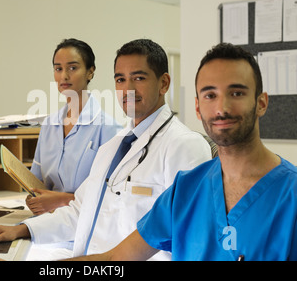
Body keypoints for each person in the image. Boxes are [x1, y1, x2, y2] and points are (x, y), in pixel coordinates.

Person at [0, 39, 212, 261]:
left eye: (138, 78)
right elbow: (79, 211)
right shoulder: (114, 147)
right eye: (120, 80)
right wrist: (21, 229)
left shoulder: (185, 146)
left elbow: (189, 241)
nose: (128, 89)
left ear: (164, 83)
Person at [71, 43, 297, 261]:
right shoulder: (185, 189)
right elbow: (115, 257)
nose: (221, 108)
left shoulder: (290, 194)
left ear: (261, 103)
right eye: (210, 95)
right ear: (198, 108)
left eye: (236, 93)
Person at [27, 38, 121, 215]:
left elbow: (111, 195)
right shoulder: (49, 125)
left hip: (85, 224)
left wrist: (62, 200)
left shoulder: (108, 128)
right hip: (46, 220)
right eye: (58, 68)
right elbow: (36, 181)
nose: (64, 76)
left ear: (90, 72)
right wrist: (33, 196)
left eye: (73, 68)